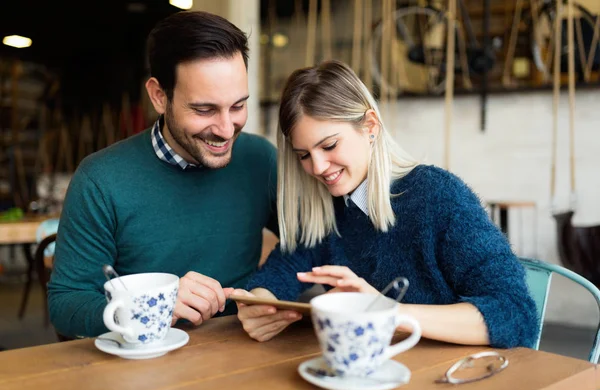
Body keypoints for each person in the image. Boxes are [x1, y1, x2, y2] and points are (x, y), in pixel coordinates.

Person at [233, 60, 538, 348]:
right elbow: (280, 272)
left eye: (329, 145)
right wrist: (259, 305)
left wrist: (385, 312)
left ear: (370, 126)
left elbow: (515, 314)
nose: (318, 167)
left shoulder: (438, 196)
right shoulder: (327, 209)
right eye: (303, 155)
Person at [48, 11, 278, 338]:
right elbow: (66, 304)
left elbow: (313, 244)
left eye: (238, 106)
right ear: (159, 96)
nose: (227, 129)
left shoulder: (261, 160)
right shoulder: (100, 180)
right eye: (204, 110)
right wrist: (151, 306)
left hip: (241, 357)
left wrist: (266, 287)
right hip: (141, 372)